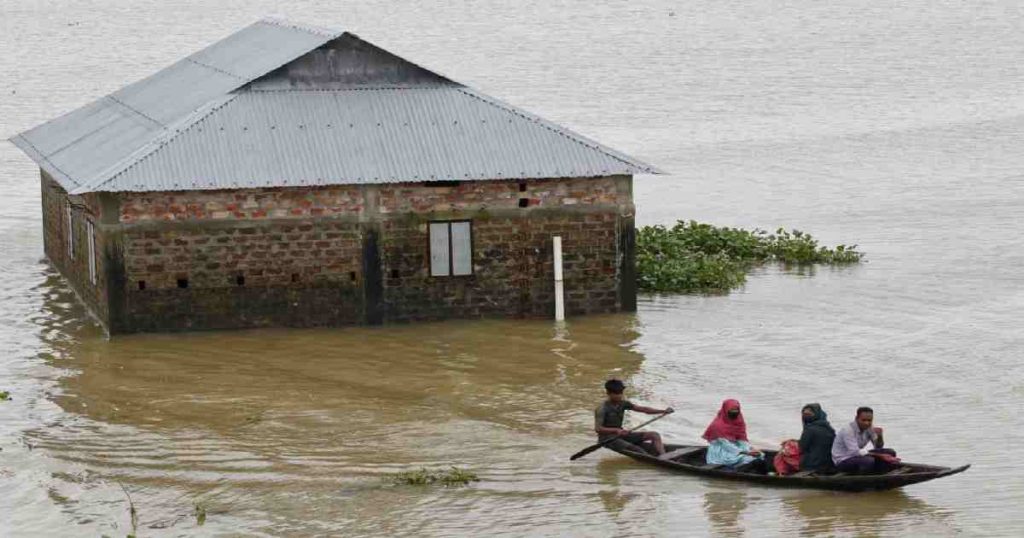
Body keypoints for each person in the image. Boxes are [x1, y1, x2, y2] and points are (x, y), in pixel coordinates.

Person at [594, 379, 673, 456]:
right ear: (608, 393)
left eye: (620, 393)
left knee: (654, 435)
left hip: (621, 435)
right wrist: (616, 430)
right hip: (607, 439)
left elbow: (643, 409)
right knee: (639, 451)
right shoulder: (602, 409)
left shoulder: (623, 403)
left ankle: (664, 457)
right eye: (616, 393)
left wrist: (663, 411)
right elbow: (598, 429)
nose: (619, 396)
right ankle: (652, 459)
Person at [702, 399, 766, 471]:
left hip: (736, 446)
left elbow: (742, 439)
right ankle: (736, 470)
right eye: (732, 410)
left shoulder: (739, 421)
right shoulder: (717, 425)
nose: (735, 412)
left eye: (736, 410)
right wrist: (745, 452)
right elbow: (726, 445)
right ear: (725, 410)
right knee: (744, 458)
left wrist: (750, 449)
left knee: (760, 455)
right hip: (722, 450)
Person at [831, 406, 899, 474]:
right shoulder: (848, 430)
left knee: (890, 452)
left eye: (869, 420)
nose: (866, 423)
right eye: (863, 420)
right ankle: (863, 479)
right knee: (868, 461)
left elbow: (878, 447)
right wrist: (881, 456)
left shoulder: (870, 428)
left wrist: (880, 436)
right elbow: (855, 452)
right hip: (843, 460)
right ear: (856, 418)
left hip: (858, 456)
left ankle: (880, 473)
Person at [798, 403, 836, 473]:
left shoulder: (809, 429)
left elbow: (801, 448)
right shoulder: (830, 429)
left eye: (808, 414)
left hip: (812, 466)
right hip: (829, 465)